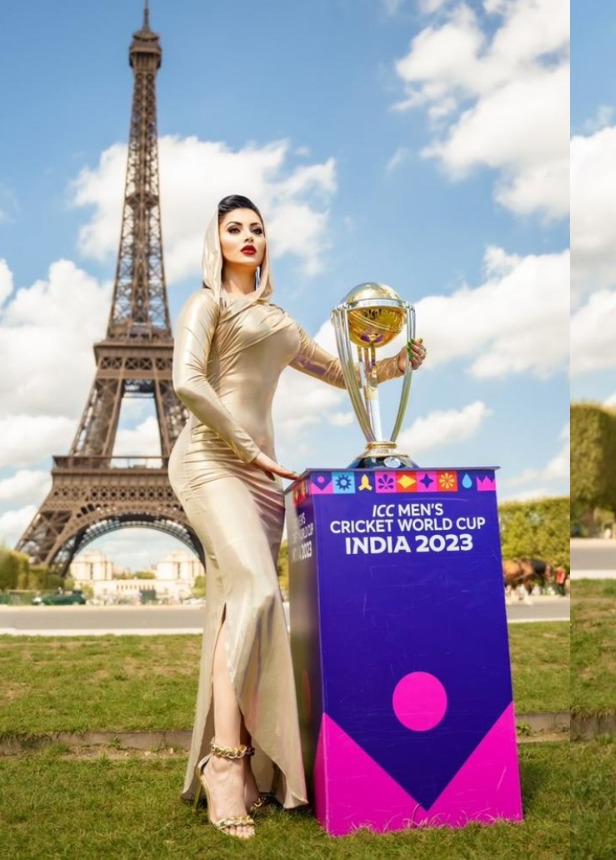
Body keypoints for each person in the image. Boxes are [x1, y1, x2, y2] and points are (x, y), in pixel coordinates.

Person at [169, 195, 426, 839]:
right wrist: (248, 446)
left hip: (262, 480)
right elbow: (188, 383)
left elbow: (339, 372)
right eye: (234, 228)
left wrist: (396, 363)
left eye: (257, 228)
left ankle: (246, 760)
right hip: (211, 461)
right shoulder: (207, 306)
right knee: (254, 592)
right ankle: (225, 763)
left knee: (245, 606)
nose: (248, 236)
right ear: (216, 241)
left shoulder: (279, 321)